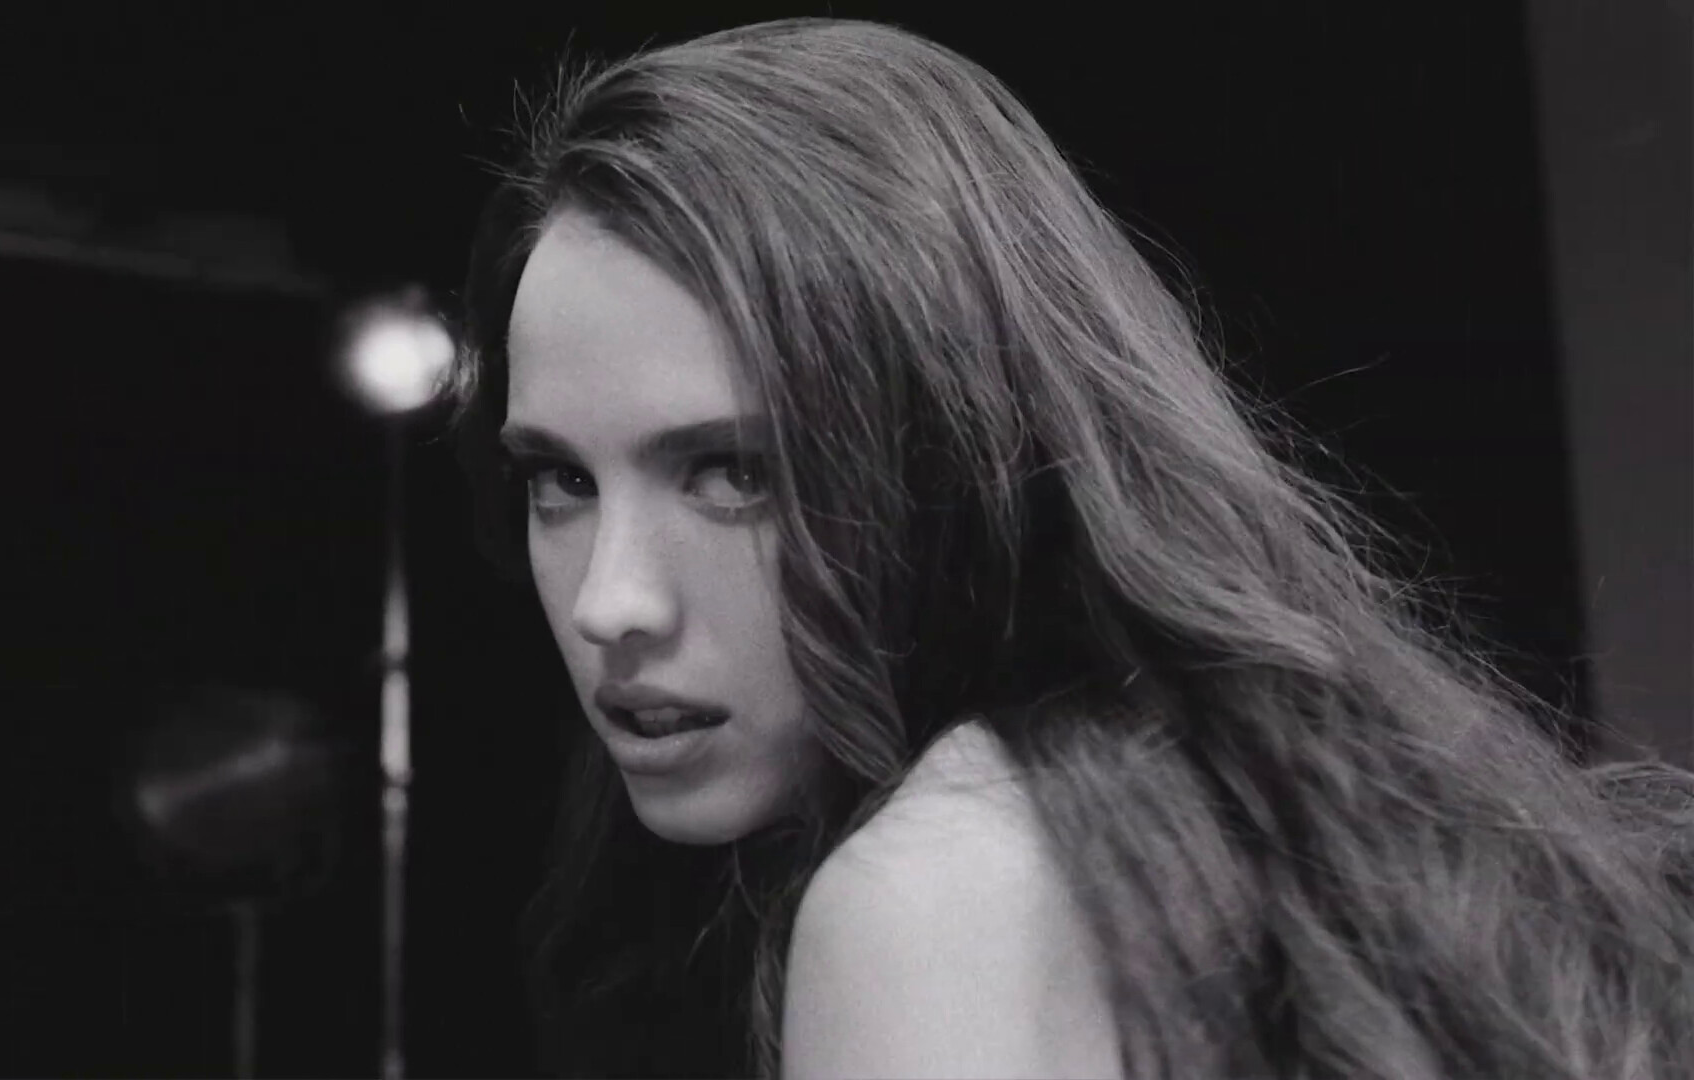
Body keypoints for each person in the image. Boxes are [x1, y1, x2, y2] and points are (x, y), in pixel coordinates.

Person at [442, 16, 1694, 1080]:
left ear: (951, 445)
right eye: (560, 481)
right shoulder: (1233, 833)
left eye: (733, 473)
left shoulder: (940, 897)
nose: (611, 602)